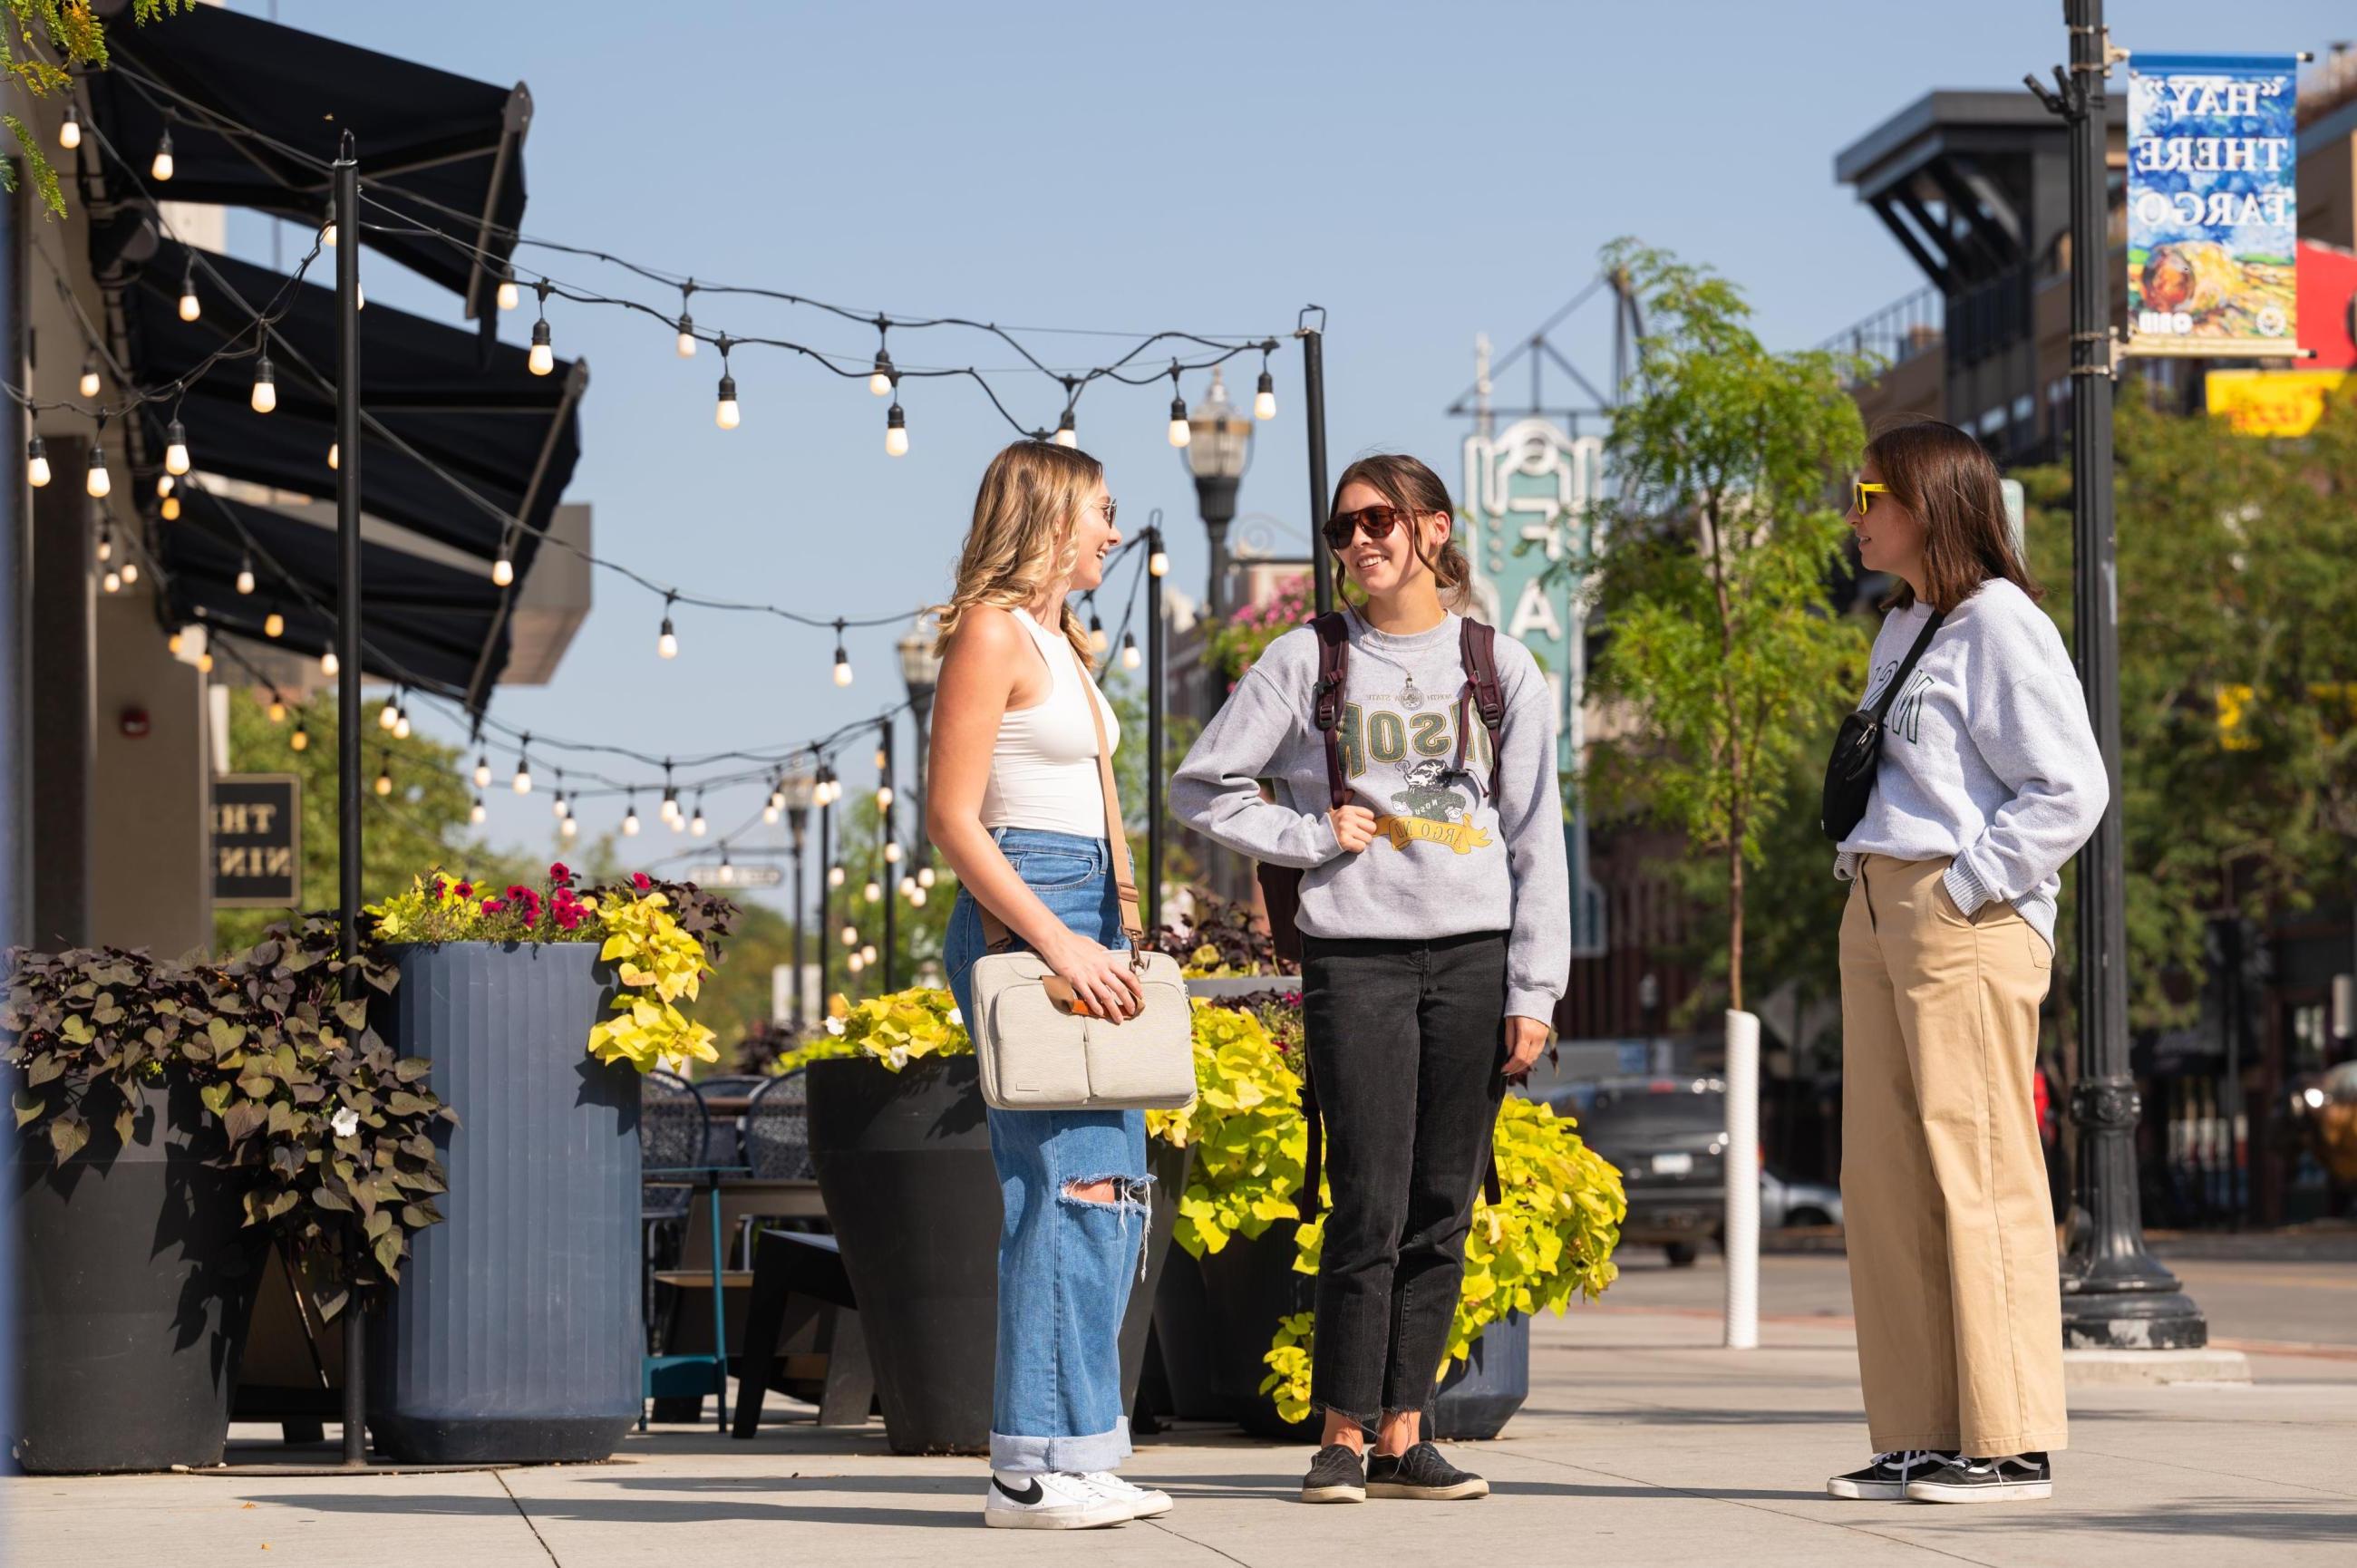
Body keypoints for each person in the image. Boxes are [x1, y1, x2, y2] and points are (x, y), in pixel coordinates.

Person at [1172, 452, 1569, 1505]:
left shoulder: (1500, 666)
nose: (1358, 542)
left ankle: (1407, 1428)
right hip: (1355, 958)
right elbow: (1197, 783)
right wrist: (1303, 833)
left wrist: (1535, 991)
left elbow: (1536, 840)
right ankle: (1339, 1432)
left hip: (1474, 955)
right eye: (1343, 526)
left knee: (1442, 1202)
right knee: (1364, 1199)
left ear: (1433, 531)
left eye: (1379, 520)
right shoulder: (1306, 660)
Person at [1827, 418, 2107, 1505]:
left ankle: (2011, 1437)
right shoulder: (1903, 624)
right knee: (1885, 1178)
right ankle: (1919, 1428)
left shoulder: (1998, 623)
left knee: (1978, 1168)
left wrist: (1962, 885)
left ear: (1927, 502)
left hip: (1960, 911)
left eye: (1868, 494)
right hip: (1875, 901)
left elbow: (2068, 787)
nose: (1854, 516)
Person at [926, 440, 1170, 1530]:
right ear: (1050, 514)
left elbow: (1096, 791)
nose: (1114, 533)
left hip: (1083, 910)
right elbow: (950, 819)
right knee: (1060, 1190)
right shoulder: (987, 629)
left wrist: (1121, 914)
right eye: (1101, 512)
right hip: (1024, 906)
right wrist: (1057, 945)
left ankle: (1079, 1446)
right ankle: (1024, 1464)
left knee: (1111, 1190)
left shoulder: (1058, 637)